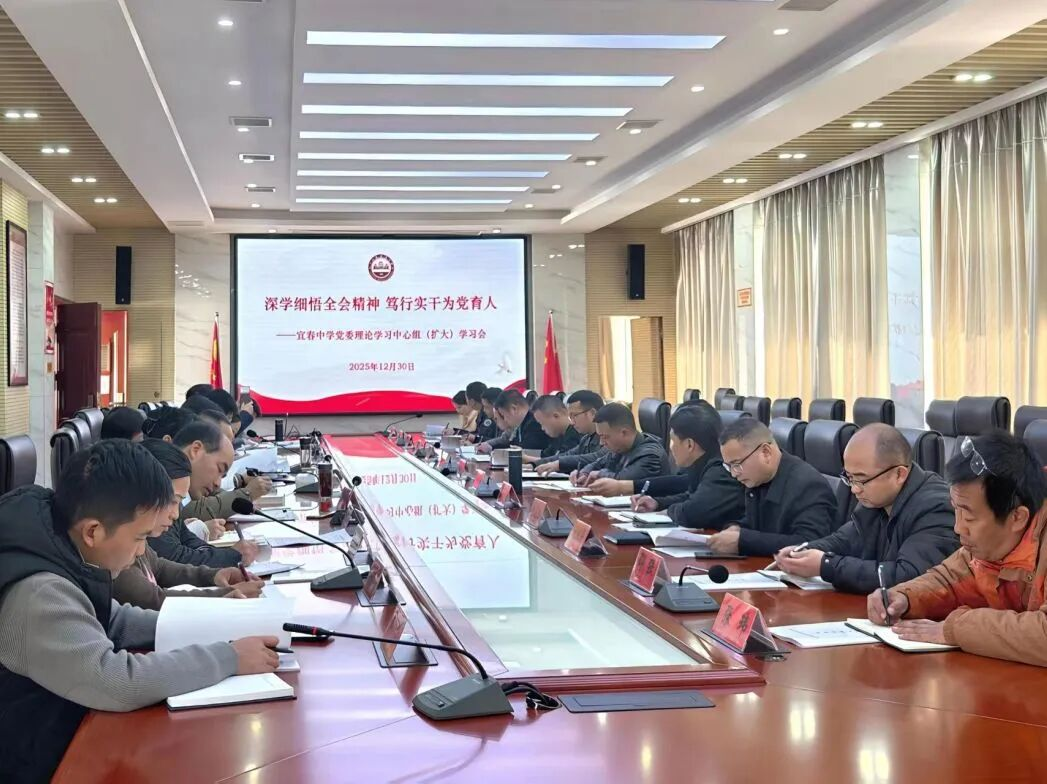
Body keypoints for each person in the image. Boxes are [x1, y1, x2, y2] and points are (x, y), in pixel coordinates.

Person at [0, 440, 279, 783]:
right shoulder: (39, 592)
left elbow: (115, 619)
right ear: (93, 531)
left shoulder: (60, 547)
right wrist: (228, 657)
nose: (141, 552)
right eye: (139, 538)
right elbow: (116, 680)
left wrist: (220, 624)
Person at [869, 433, 1047, 666]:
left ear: (1017, 518)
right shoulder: (990, 544)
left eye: (969, 517)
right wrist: (905, 598)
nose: (958, 527)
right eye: (956, 510)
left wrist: (955, 629)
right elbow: (951, 579)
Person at [775, 424, 957, 593]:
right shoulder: (875, 497)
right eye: (849, 478)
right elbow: (844, 541)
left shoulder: (936, 508)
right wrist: (802, 552)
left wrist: (827, 565)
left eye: (861, 479)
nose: (854, 489)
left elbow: (908, 576)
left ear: (899, 474)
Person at [113, 439, 263, 610]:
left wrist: (213, 575)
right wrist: (222, 596)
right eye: (172, 501)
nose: (176, 514)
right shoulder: (118, 548)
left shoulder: (137, 536)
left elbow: (160, 567)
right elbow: (154, 600)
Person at [600, 402, 747, 528]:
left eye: (673, 440)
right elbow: (691, 497)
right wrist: (657, 503)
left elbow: (692, 512)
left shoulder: (720, 470)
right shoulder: (703, 465)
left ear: (689, 445)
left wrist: (667, 512)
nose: (670, 447)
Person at [709, 417, 835, 556]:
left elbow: (808, 543)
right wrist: (736, 528)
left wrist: (743, 541)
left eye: (737, 464)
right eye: (729, 466)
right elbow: (757, 523)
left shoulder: (809, 486)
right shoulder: (757, 478)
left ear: (766, 452)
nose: (734, 473)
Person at [148, 420, 258, 568]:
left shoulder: (177, 492)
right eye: (219, 469)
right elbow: (172, 556)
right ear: (196, 449)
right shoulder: (161, 478)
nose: (218, 483)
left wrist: (226, 556)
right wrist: (232, 556)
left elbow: (189, 541)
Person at [573, 403, 671, 484]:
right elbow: (598, 464)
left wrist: (599, 474)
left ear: (624, 432)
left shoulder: (650, 456)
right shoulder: (621, 447)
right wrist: (584, 472)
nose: (601, 443)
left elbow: (621, 481)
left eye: (605, 437)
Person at [535, 390, 606, 475]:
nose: (572, 422)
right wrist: (535, 464)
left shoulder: (608, 436)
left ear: (592, 413)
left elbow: (598, 457)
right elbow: (567, 455)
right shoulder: (586, 439)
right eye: (570, 417)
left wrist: (559, 464)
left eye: (574, 416)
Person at [477, 389, 550, 453]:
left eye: (503, 415)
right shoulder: (522, 424)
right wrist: (491, 447)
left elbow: (527, 452)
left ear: (514, 409)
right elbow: (512, 444)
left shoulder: (534, 424)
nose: (505, 420)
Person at [529, 394, 581, 460]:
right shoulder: (559, 435)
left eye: (542, 423)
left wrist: (525, 458)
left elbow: (561, 461)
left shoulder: (575, 435)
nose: (542, 428)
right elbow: (545, 456)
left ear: (556, 416)